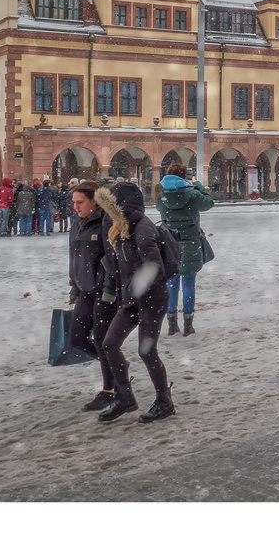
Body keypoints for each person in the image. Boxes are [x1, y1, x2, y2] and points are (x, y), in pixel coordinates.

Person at [97, 181, 175, 423]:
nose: (107, 214)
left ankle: (165, 402)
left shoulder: (142, 228)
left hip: (152, 299)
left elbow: (154, 267)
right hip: (132, 299)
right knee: (109, 344)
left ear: (121, 207)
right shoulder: (121, 229)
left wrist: (135, 289)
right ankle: (124, 397)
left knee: (147, 351)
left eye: (110, 208)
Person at [68, 182, 119, 412]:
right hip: (85, 288)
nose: (75, 207)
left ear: (94, 202)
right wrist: (75, 285)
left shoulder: (105, 222)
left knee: (101, 340)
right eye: (74, 203)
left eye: (80, 203)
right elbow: (74, 257)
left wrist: (109, 289)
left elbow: (112, 259)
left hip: (104, 290)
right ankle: (116, 367)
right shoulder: (77, 223)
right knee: (76, 338)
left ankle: (110, 389)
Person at [157, 162, 216, 336]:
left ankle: (171, 323)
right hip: (190, 241)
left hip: (169, 243)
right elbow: (209, 203)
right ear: (184, 176)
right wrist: (197, 185)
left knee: (172, 282)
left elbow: (162, 213)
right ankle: (188, 324)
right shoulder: (192, 194)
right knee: (189, 283)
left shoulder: (162, 196)